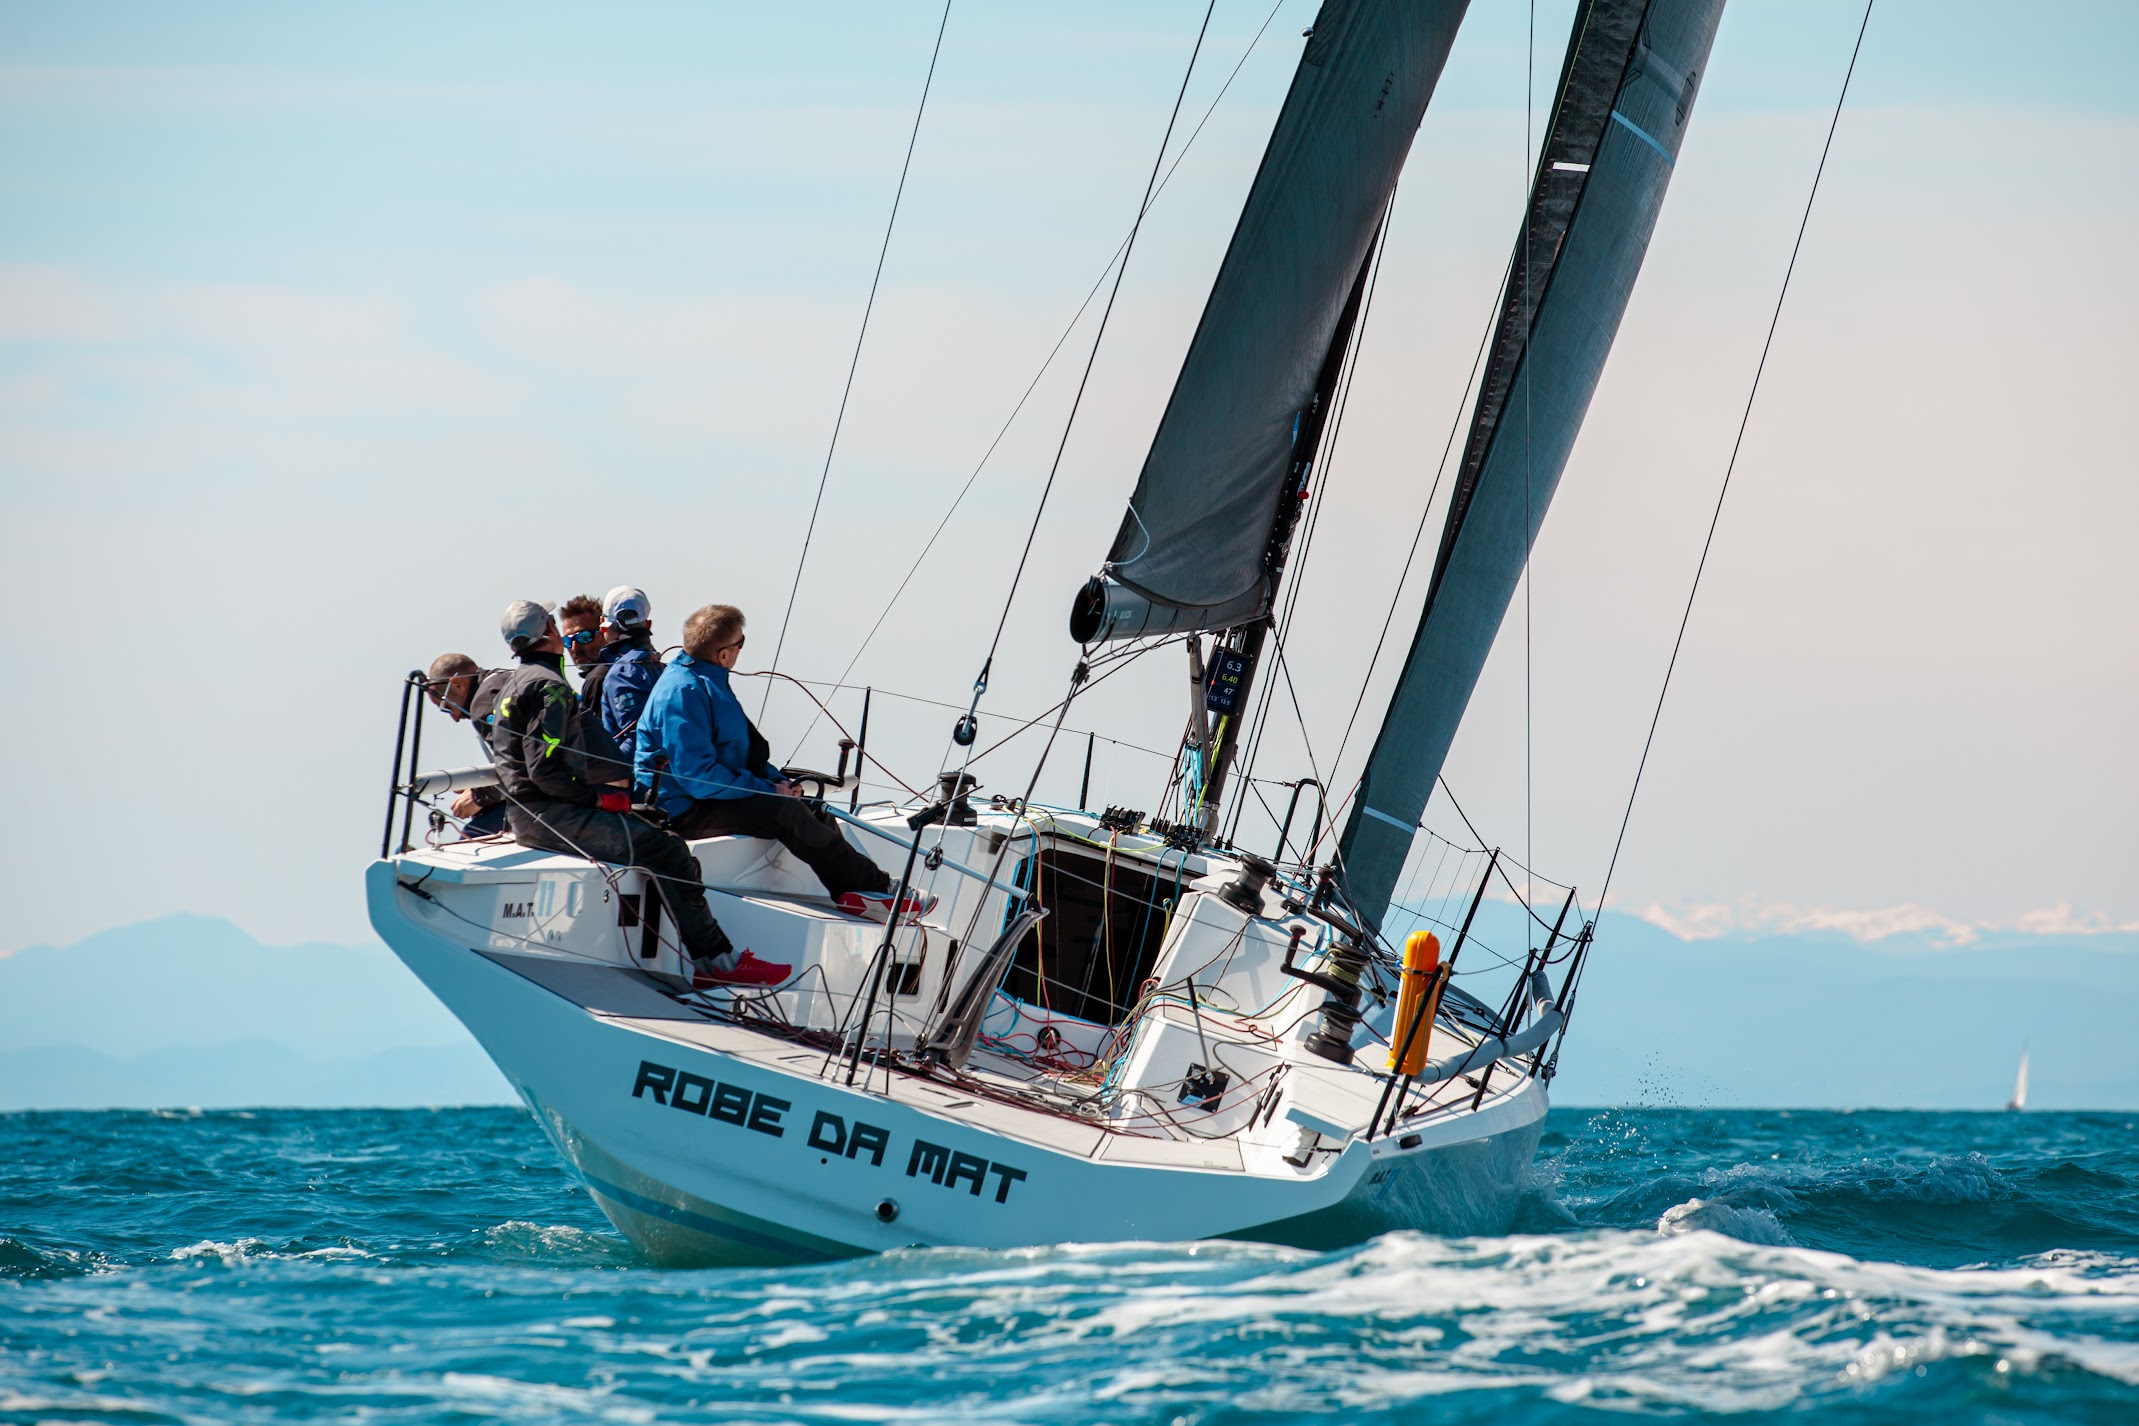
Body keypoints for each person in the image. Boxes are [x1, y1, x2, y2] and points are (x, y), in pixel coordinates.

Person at [489, 599, 790, 988]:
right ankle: (717, 962)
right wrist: (599, 800)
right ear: (549, 630)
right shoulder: (550, 687)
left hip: (527, 814)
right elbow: (544, 771)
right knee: (668, 850)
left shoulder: (513, 684)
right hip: (549, 816)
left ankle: (705, 957)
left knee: (654, 837)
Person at [635, 603, 931, 922]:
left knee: (811, 807)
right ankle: (878, 887)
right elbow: (698, 778)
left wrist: (778, 781)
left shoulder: (707, 679)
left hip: (709, 798)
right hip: (681, 811)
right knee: (783, 810)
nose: (741, 649)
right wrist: (768, 790)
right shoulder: (682, 692)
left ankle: (858, 893)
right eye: (741, 643)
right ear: (724, 654)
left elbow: (741, 754)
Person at [424, 652, 511, 837]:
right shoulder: (507, 678)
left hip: (553, 799)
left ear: (457, 684)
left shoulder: (483, 705)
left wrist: (479, 795)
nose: (455, 718)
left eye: (447, 707)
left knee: (471, 837)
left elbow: (520, 765)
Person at [558, 594, 633, 786]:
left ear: (604, 631)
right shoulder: (631, 664)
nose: (575, 647)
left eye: (584, 637)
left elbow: (595, 746)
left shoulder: (598, 679)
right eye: (567, 641)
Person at [589, 585, 663, 762]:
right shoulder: (663, 667)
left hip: (641, 777)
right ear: (648, 624)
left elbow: (637, 740)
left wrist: (604, 772)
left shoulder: (622, 674)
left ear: (603, 625)